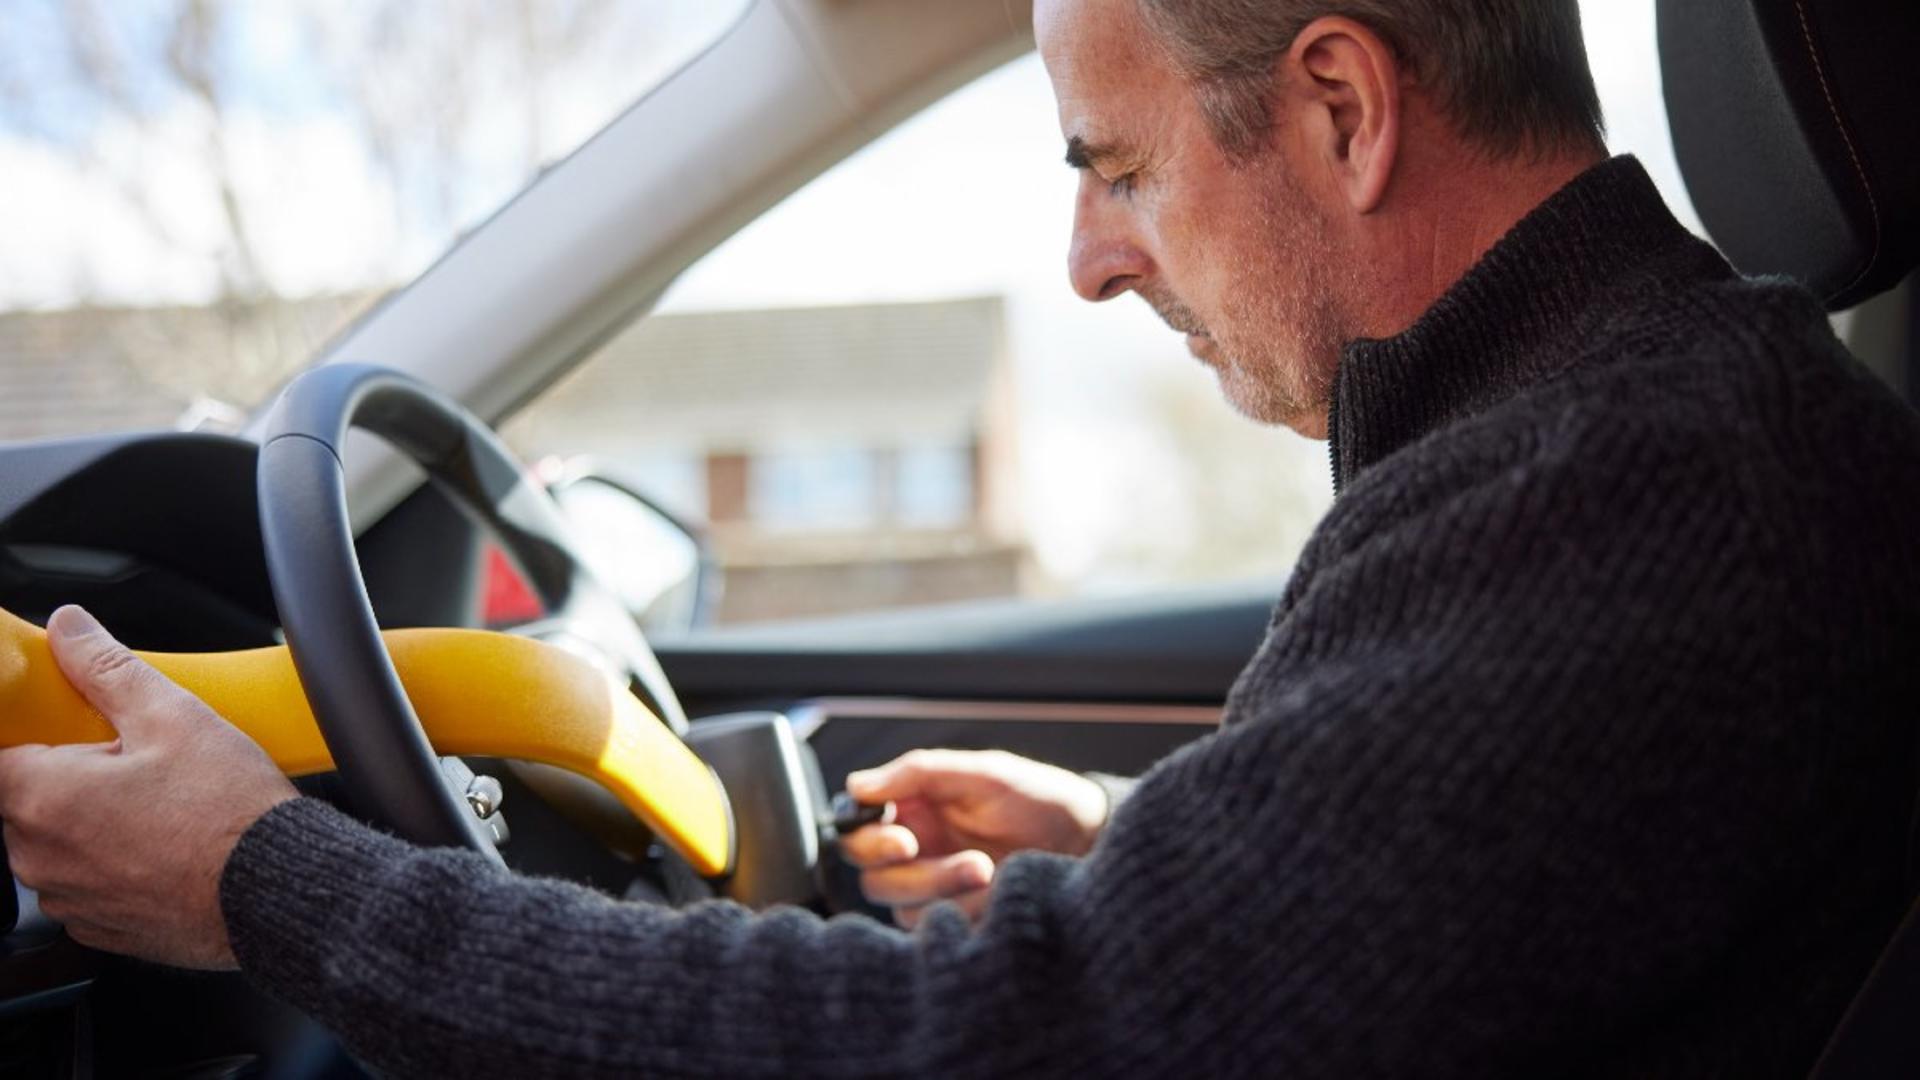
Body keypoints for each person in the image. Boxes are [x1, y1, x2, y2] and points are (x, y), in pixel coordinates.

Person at [3, 0, 1918, 1074]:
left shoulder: (1649, 483)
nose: (1089, 260)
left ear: (1339, 105)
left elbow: (1010, 1055)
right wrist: (1154, 848)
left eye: (1117, 165)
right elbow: (1474, 897)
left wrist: (264, 884)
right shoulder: (1600, 439)